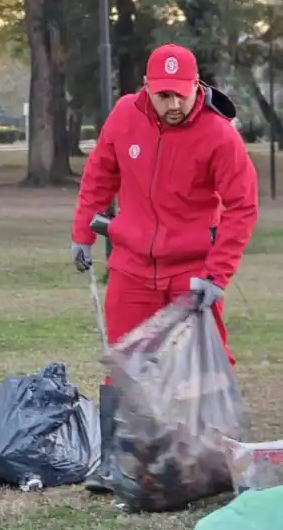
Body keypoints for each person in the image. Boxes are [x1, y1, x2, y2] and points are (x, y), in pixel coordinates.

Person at [70, 43, 259, 494]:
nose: (173, 105)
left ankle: (213, 459)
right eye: (163, 96)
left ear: (197, 87)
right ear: (147, 90)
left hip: (190, 273)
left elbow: (242, 206)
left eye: (180, 94)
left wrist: (216, 275)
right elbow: (100, 173)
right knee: (123, 360)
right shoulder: (123, 116)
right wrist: (82, 231)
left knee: (208, 365)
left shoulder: (219, 135)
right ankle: (122, 464)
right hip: (132, 265)